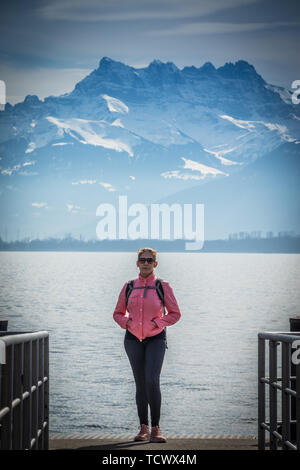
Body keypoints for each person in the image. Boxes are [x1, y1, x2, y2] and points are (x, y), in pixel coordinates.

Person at [113, 247, 181, 443]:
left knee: (152, 380)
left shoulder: (162, 286)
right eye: (142, 260)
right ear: (137, 263)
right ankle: (143, 427)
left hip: (156, 339)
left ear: (155, 264)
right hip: (132, 339)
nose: (145, 263)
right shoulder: (128, 286)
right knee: (140, 383)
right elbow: (117, 313)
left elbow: (175, 314)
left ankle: (156, 428)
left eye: (149, 260)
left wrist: (157, 323)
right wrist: (126, 323)